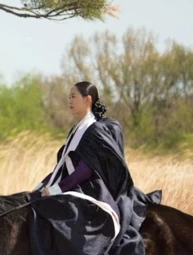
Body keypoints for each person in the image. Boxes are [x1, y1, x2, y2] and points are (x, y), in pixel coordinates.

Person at [28, 81, 161, 255]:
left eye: (73, 96)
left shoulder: (95, 130)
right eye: (69, 96)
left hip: (91, 189)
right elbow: (64, 168)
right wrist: (42, 185)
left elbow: (85, 170)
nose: (69, 100)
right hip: (73, 184)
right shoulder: (76, 129)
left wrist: (56, 189)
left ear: (87, 99)